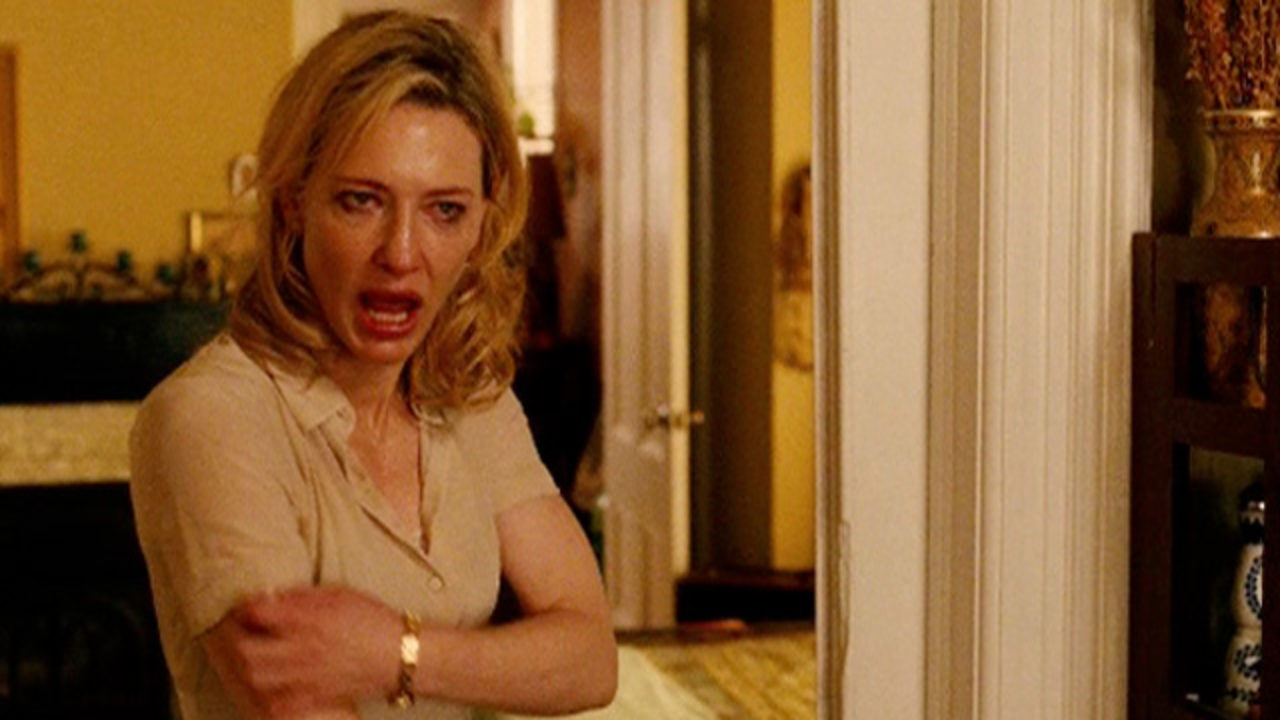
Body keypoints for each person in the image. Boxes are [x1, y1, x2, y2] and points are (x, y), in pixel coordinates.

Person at [129, 12, 617, 720]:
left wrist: (393, 651)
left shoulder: (469, 397)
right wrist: (490, 665)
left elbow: (591, 659)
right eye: (361, 201)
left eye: (445, 210)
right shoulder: (213, 417)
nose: (402, 253)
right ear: (294, 206)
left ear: (482, 224)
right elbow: (292, 697)